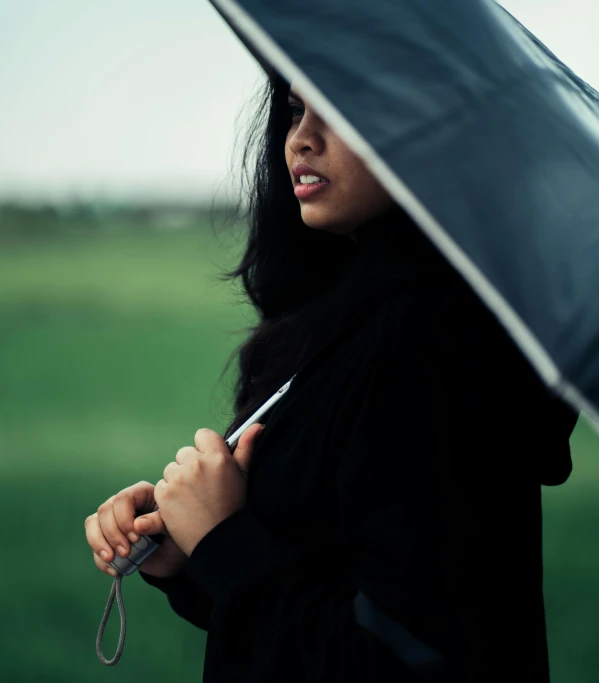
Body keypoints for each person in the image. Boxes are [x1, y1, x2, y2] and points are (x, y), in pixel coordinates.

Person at [84, 72, 579, 682]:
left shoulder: (428, 347)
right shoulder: (350, 319)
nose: (301, 140)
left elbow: (403, 663)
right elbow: (322, 596)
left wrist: (224, 541)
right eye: (294, 112)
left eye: (340, 113)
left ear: (430, 134)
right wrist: (190, 556)